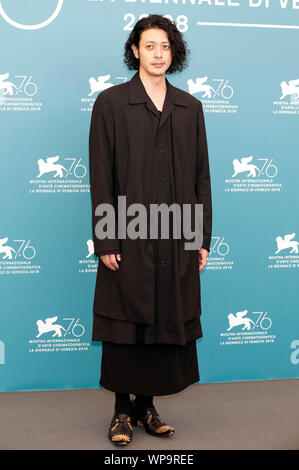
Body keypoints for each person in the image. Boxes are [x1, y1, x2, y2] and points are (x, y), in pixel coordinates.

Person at [88, 14, 212, 446]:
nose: (158, 54)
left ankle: (148, 407)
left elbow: (201, 178)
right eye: (150, 46)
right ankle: (122, 411)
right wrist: (106, 237)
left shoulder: (189, 108)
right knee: (126, 322)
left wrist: (199, 237)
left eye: (166, 46)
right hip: (129, 234)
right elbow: (101, 175)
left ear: (173, 53)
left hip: (176, 236)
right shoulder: (111, 103)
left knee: (163, 320)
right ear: (135, 51)